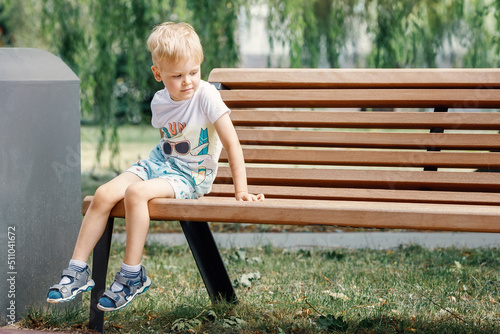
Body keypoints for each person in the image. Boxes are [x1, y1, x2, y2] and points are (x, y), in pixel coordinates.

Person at [47, 22, 264, 312]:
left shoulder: (206, 96)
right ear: (158, 74)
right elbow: (168, 143)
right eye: (177, 75)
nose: (187, 81)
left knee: (136, 194)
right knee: (102, 194)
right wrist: (154, 168)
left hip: (191, 176)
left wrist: (242, 190)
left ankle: (131, 275)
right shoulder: (160, 101)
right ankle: (76, 271)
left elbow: (232, 143)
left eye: (193, 72)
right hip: (159, 164)